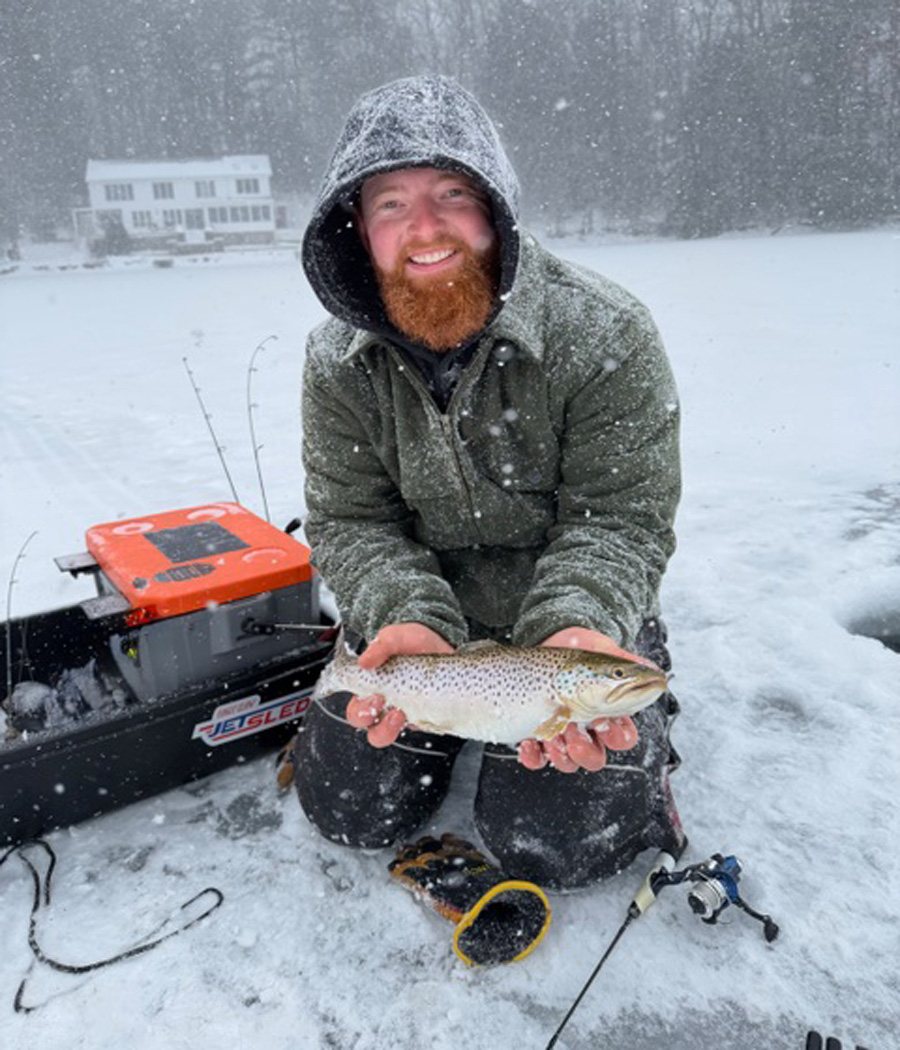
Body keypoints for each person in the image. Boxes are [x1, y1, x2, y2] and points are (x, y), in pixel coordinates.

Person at [294, 75, 684, 891]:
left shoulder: (606, 332)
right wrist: (401, 614)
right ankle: (444, 709)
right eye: (390, 203)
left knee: (558, 850)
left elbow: (620, 522)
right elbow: (349, 522)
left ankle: (628, 697)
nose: (425, 227)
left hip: (566, 625)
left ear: (496, 209)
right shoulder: (336, 363)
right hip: (421, 635)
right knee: (348, 809)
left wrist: (577, 621)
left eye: (453, 193)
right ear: (358, 228)